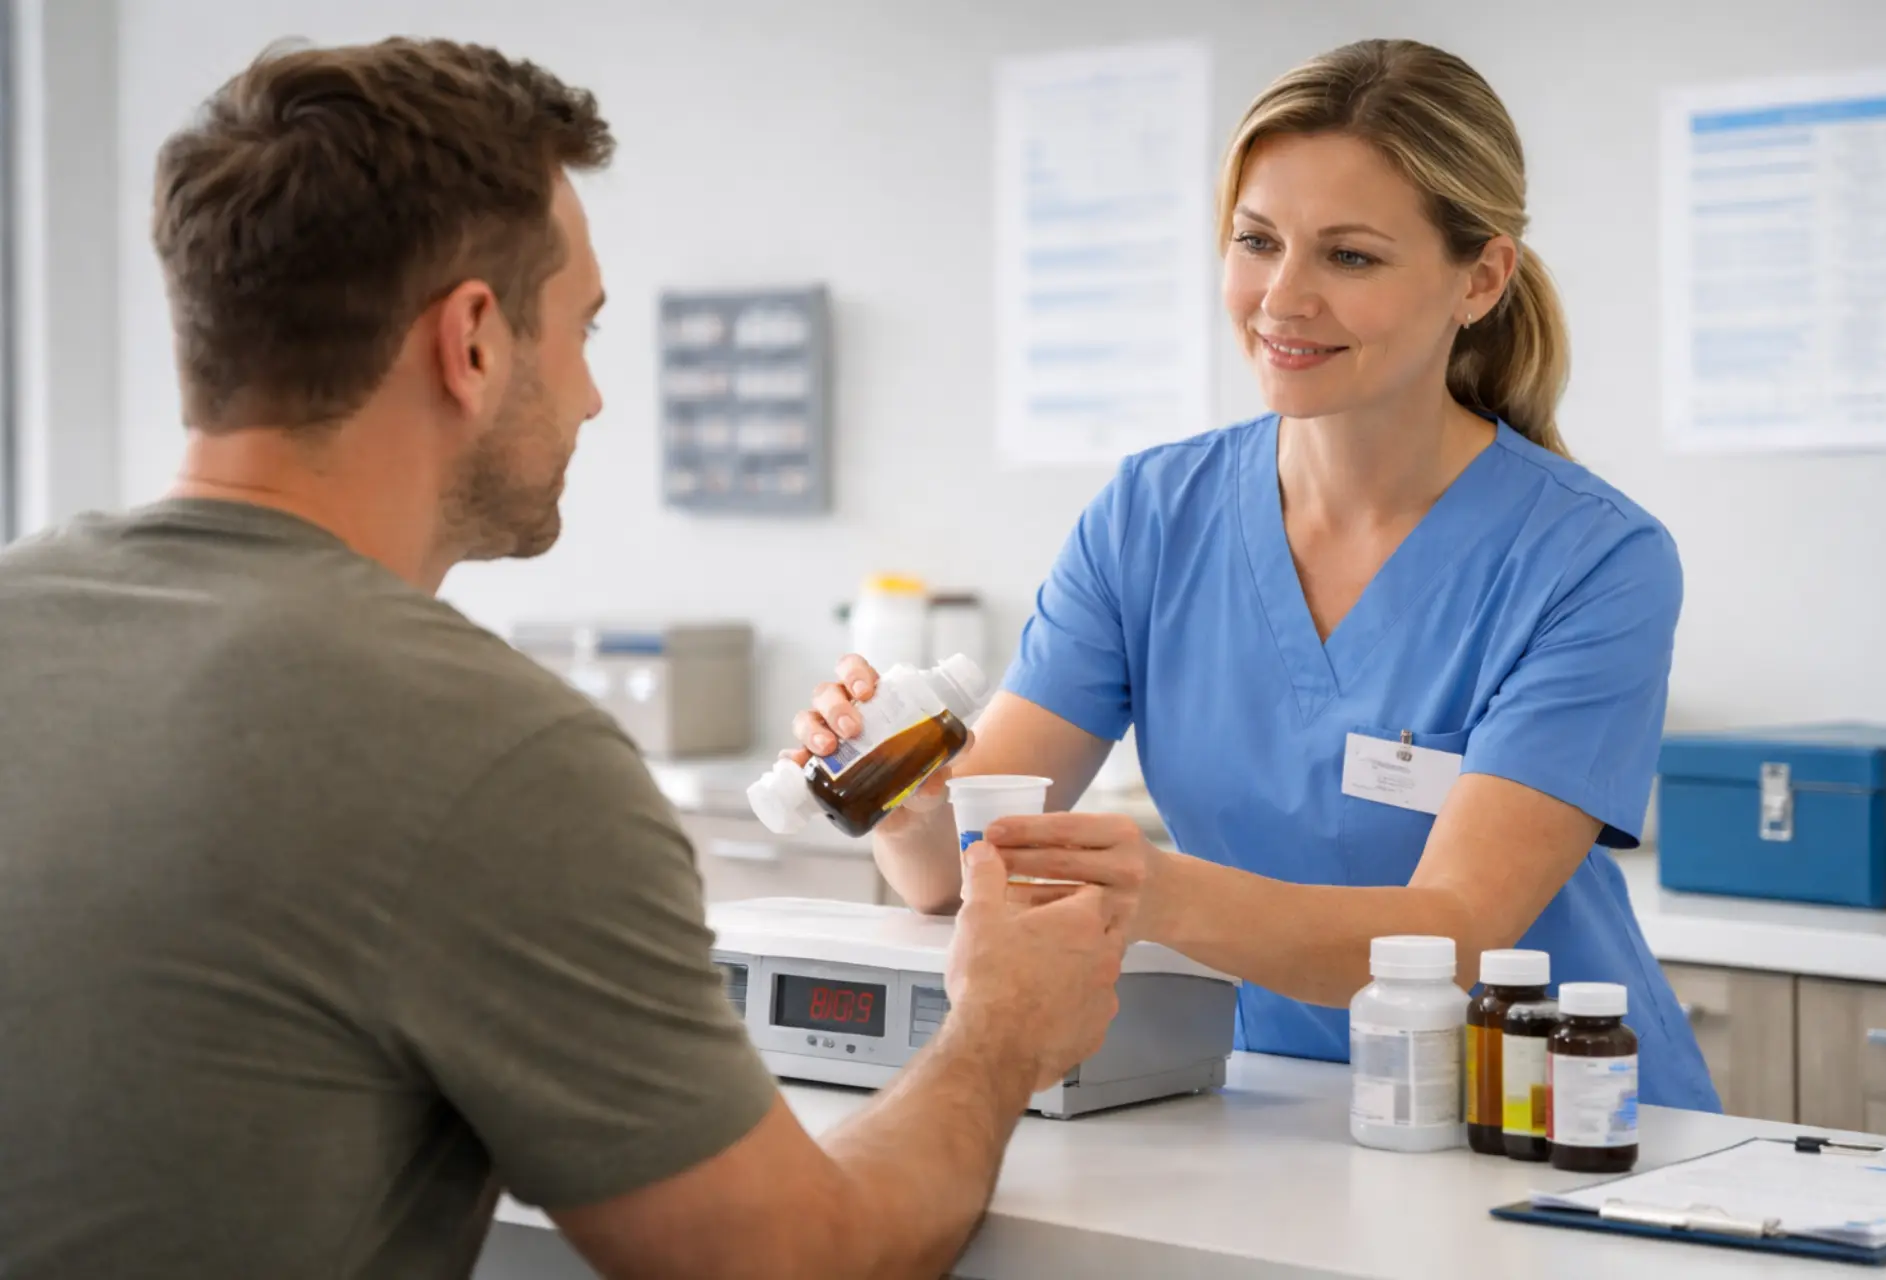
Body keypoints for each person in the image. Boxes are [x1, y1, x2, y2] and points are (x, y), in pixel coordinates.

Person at [0, 37, 1127, 1280]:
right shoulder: (495, 756)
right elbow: (790, 1262)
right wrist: (1001, 1032)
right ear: (474, 342)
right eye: (582, 329)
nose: (592, 396)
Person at [794, 39, 1719, 1111]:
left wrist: (1154, 892)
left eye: (1350, 257)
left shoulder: (1592, 559)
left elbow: (1457, 933)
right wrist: (898, 791)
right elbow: (953, 874)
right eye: (1256, 241)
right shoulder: (1150, 517)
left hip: (1549, 1117)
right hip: (1275, 1109)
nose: (1282, 298)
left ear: (1480, 279)